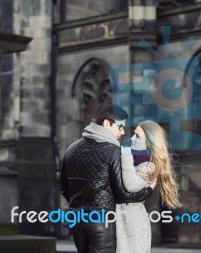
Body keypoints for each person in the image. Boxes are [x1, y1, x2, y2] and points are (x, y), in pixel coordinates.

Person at [61, 105, 155, 253]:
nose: (123, 132)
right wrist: (148, 190)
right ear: (106, 123)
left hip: (77, 221)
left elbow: (64, 189)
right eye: (120, 127)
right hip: (102, 223)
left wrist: (81, 205)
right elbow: (123, 194)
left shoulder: (71, 149)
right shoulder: (114, 151)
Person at [116, 120, 182, 253]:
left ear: (149, 141)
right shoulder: (130, 161)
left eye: (138, 136)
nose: (132, 139)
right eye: (133, 134)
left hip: (133, 226)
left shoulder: (150, 166)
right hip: (120, 221)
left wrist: (126, 155)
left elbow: (131, 185)